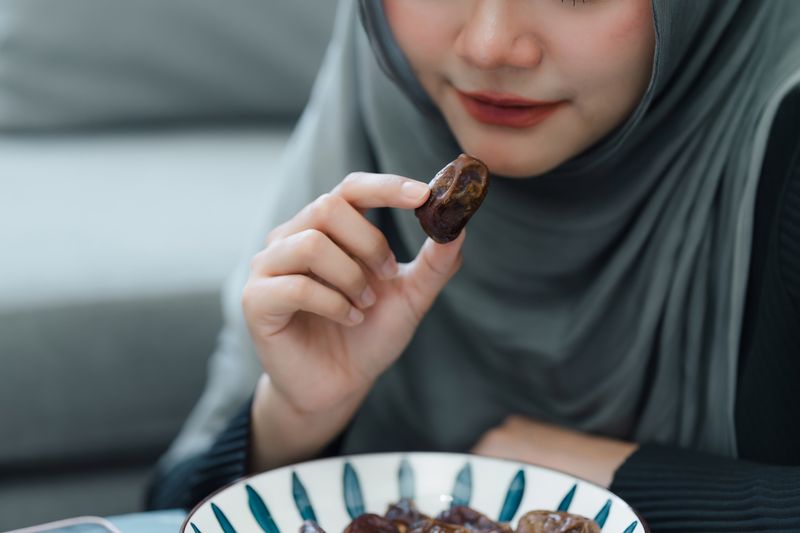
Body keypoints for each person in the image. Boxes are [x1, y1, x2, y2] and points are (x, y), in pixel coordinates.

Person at [147, 0, 800, 529]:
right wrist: (296, 416)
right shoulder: (384, 79)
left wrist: (616, 475)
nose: (489, 46)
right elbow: (165, 509)